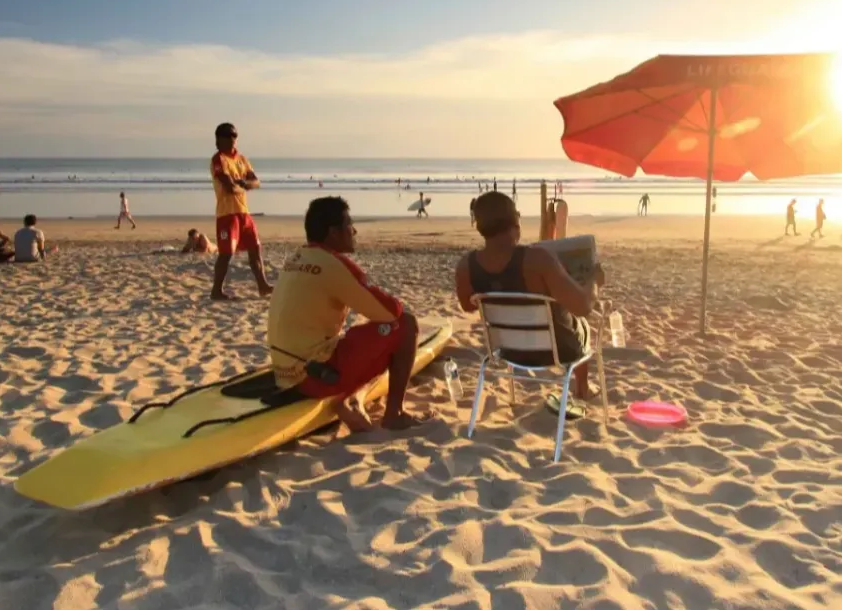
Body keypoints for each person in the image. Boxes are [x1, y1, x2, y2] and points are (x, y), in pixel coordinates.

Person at [266, 196, 428, 432]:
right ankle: (395, 414)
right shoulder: (334, 264)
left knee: (357, 336)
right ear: (333, 233)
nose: (354, 230)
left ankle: (356, 396)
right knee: (406, 325)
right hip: (315, 377)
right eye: (349, 224)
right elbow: (391, 312)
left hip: (283, 373)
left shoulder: (295, 258)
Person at [453, 191, 604, 402]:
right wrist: (595, 282)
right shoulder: (537, 259)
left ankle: (581, 388)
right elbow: (583, 307)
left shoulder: (466, 266)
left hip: (507, 351)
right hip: (558, 351)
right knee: (581, 322)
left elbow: (468, 306)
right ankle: (582, 388)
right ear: (515, 222)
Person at [209, 122, 272, 300]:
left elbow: (256, 182)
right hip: (227, 213)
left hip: (243, 212)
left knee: (255, 249)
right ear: (218, 140)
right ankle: (216, 290)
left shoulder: (242, 159)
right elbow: (229, 186)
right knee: (226, 253)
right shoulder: (218, 159)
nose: (232, 140)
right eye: (228, 137)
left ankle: (263, 285)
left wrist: (244, 184)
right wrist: (244, 185)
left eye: (234, 137)